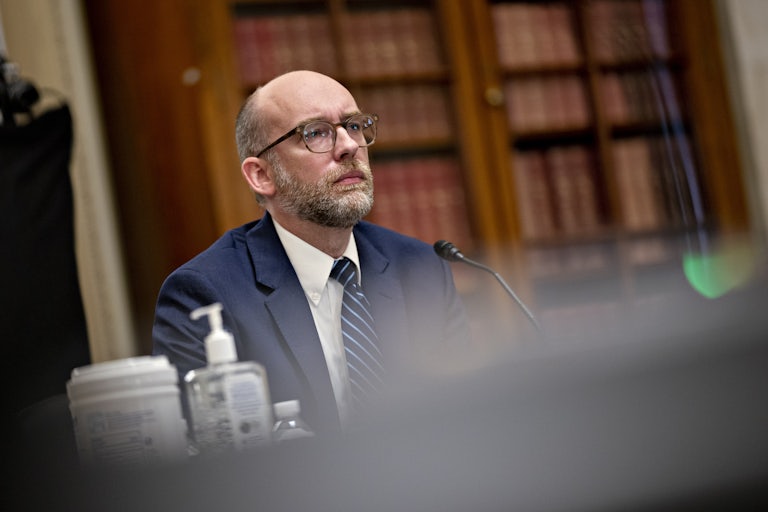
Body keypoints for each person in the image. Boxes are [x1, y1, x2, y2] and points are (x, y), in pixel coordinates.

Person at [152, 70, 470, 436]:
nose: (349, 146)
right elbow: (206, 464)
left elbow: (467, 420)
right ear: (262, 176)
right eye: (315, 133)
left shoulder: (421, 269)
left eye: (354, 125)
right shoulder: (205, 295)